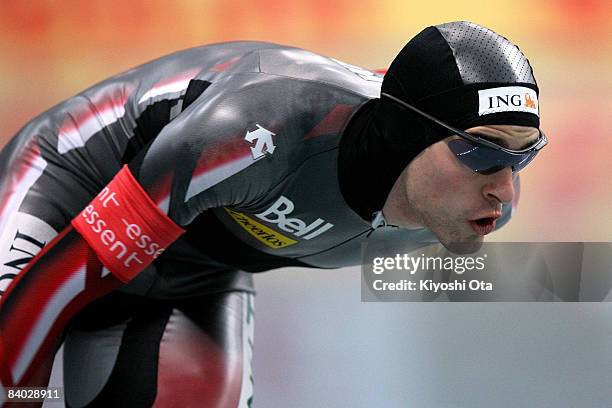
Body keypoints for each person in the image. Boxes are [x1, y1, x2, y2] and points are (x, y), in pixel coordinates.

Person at [0, 21, 546, 407]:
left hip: (195, 272)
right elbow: (55, 289)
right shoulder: (257, 127)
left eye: (523, 157)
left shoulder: (477, 209)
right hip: (73, 190)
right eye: (482, 153)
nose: (503, 190)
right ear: (406, 135)